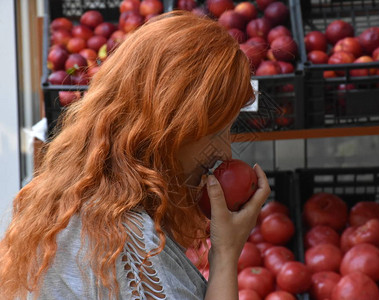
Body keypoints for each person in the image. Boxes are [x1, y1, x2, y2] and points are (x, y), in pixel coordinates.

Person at [0, 11, 271, 300]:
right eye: (218, 131)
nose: (223, 152)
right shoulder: (126, 239)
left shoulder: (71, 198)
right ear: (172, 129)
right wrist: (227, 253)